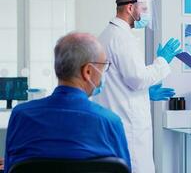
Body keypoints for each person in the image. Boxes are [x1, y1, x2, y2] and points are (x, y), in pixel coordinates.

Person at [4, 33, 131, 173]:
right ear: (87, 71)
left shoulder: (21, 116)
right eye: (103, 66)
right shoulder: (109, 122)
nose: (103, 73)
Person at [92, 0, 181, 173]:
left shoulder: (108, 34)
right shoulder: (121, 38)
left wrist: (146, 93)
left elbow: (118, 81)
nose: (147, 14)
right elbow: (138, 79)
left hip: (117, 119)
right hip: (128, 127)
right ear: (131, 8)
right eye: (144, 9)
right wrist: (162, 60)